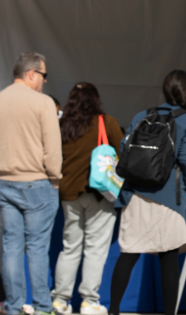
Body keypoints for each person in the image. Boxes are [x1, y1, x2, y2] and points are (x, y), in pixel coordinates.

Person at [109, 70, 186, 315]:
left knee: (127, 254)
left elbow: (123, 147)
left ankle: (113, 310)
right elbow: (184, 157)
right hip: (168, 197)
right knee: (168, 258)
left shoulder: (143, 115)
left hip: (134, 194)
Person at [0, 52, 61, 315]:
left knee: (12, 247)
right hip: (37, 183)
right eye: (44, 75)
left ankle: (13, 307)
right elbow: (52, 149)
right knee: (37, 248)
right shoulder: (43, 103)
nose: (45, 81)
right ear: (31, 74)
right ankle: (41, 307)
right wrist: (55, 178)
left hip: (4, 185)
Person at [51, 83, 123, 315]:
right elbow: (123, 154)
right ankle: (89, 301)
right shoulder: (106, 122)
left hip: (68, 195)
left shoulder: (61, 126)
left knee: (70, 248)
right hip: (100, 194)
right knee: (95, 249)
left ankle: (60, 300)